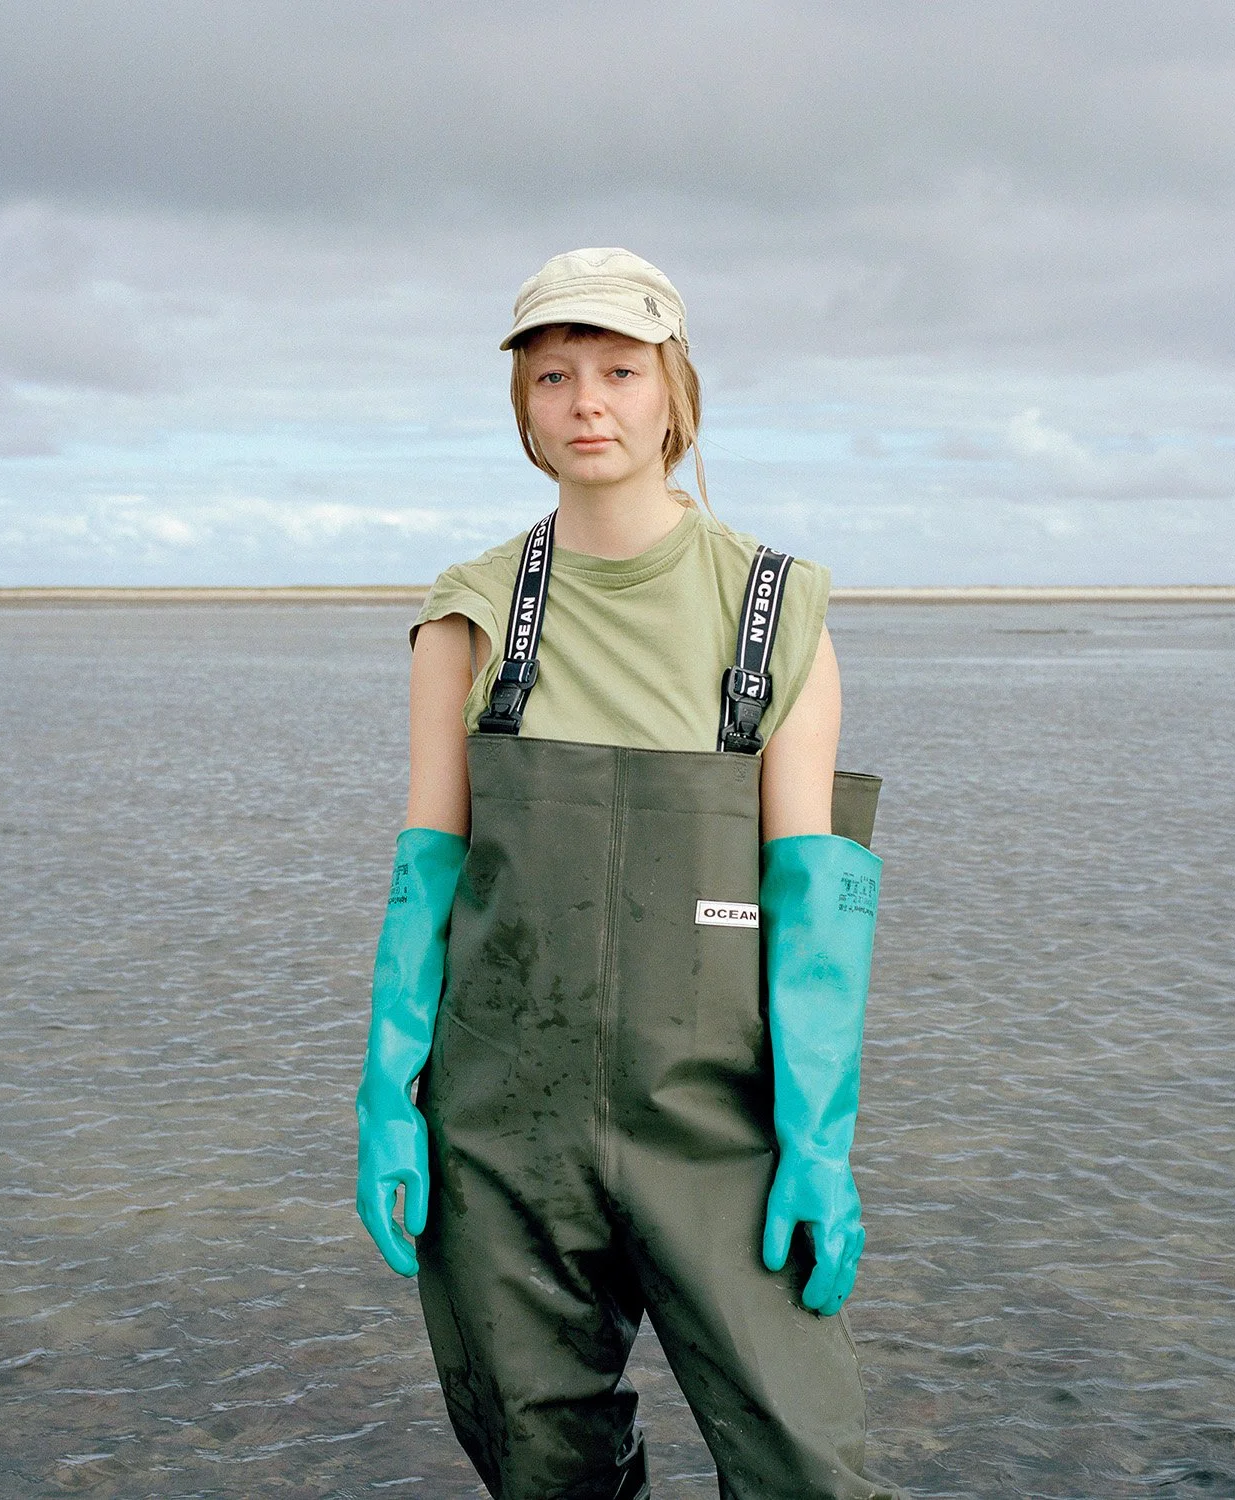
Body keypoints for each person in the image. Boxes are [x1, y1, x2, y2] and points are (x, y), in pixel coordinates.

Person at [356, 248, 906, 1499]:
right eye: (554, 375)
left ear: (674, 391)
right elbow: (427, 874)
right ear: (523, 401)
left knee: (806, 1467)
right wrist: (389, 1093)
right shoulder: (469, 615)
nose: (587, 403)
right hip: (500, 1133)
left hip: (718, 1131)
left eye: (619, 370)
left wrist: (818, 1142)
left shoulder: (777, 612)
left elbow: (816, 909)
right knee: (546, 1469)